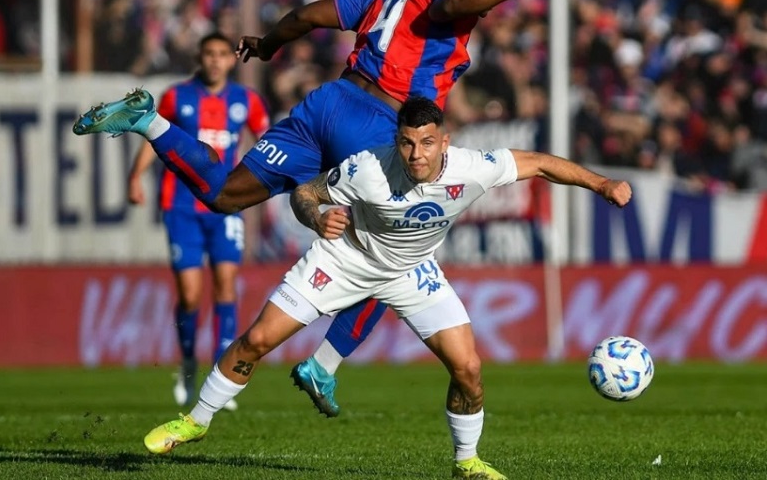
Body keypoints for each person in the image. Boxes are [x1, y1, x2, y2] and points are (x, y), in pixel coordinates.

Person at [72, 0, 550, 418]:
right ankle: (323, 364)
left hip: (327, 104)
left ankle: (148, 122)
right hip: (378, 122)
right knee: (393, 254)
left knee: (223, 194)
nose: (492, 0)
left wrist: (266, 45)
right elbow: (455, 1)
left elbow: (306, 16)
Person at [140, 97, 633, 479]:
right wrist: (317, 216)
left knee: (469, 369)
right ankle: (197, 421)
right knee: (258, 341)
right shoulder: (368, 168)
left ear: (444, 141)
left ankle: (467, 462)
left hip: (411, 272)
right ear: (396, 141)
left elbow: (542, 163)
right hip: (344, 260)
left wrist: (602, 184)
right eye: (406, 143)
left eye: (425, 143)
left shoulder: (473, 168)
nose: (415, 155)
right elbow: (304, 193)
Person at [127, 32, 270, 410]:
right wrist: (135, 176)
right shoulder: (177, 96)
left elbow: (267, 140)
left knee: (225, 286)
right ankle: (188, 363)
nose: (215, 60)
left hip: (226, 207)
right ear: (199, 57)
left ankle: (219, 376)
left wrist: (262, 183)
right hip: (181, 206)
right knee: (190, 295)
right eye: (209, 54)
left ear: (230, 59)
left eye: (223, 54)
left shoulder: (246, 100)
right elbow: (153, 136)